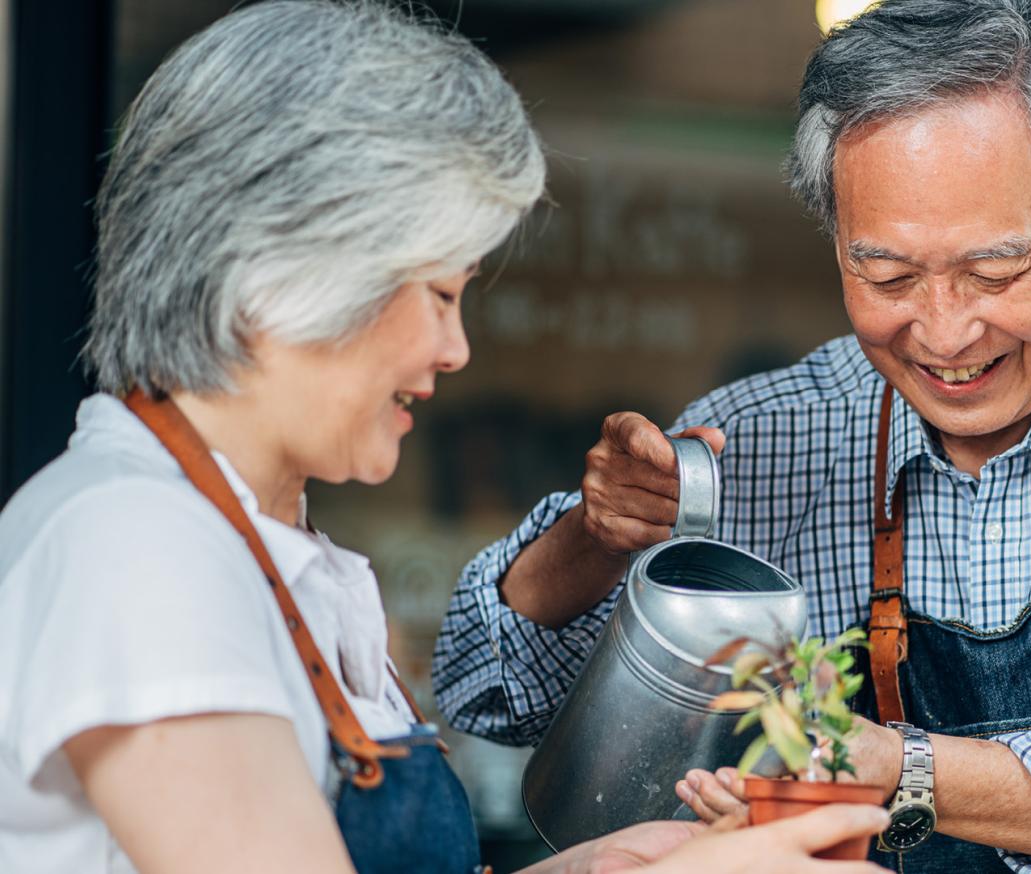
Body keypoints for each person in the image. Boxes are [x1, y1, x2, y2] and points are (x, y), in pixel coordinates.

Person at [432, 0, 1031, 871]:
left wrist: (902, 771)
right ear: (838, 247)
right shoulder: (761, 440)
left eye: (992, 270)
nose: (944, 333)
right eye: (890, 275)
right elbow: (489, 692)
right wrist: (594, 540)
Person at [0, 3, 892, 872]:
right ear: (280, 268)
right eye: (436, 295)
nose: (454, 349)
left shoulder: (256, 548)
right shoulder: (136, 551)